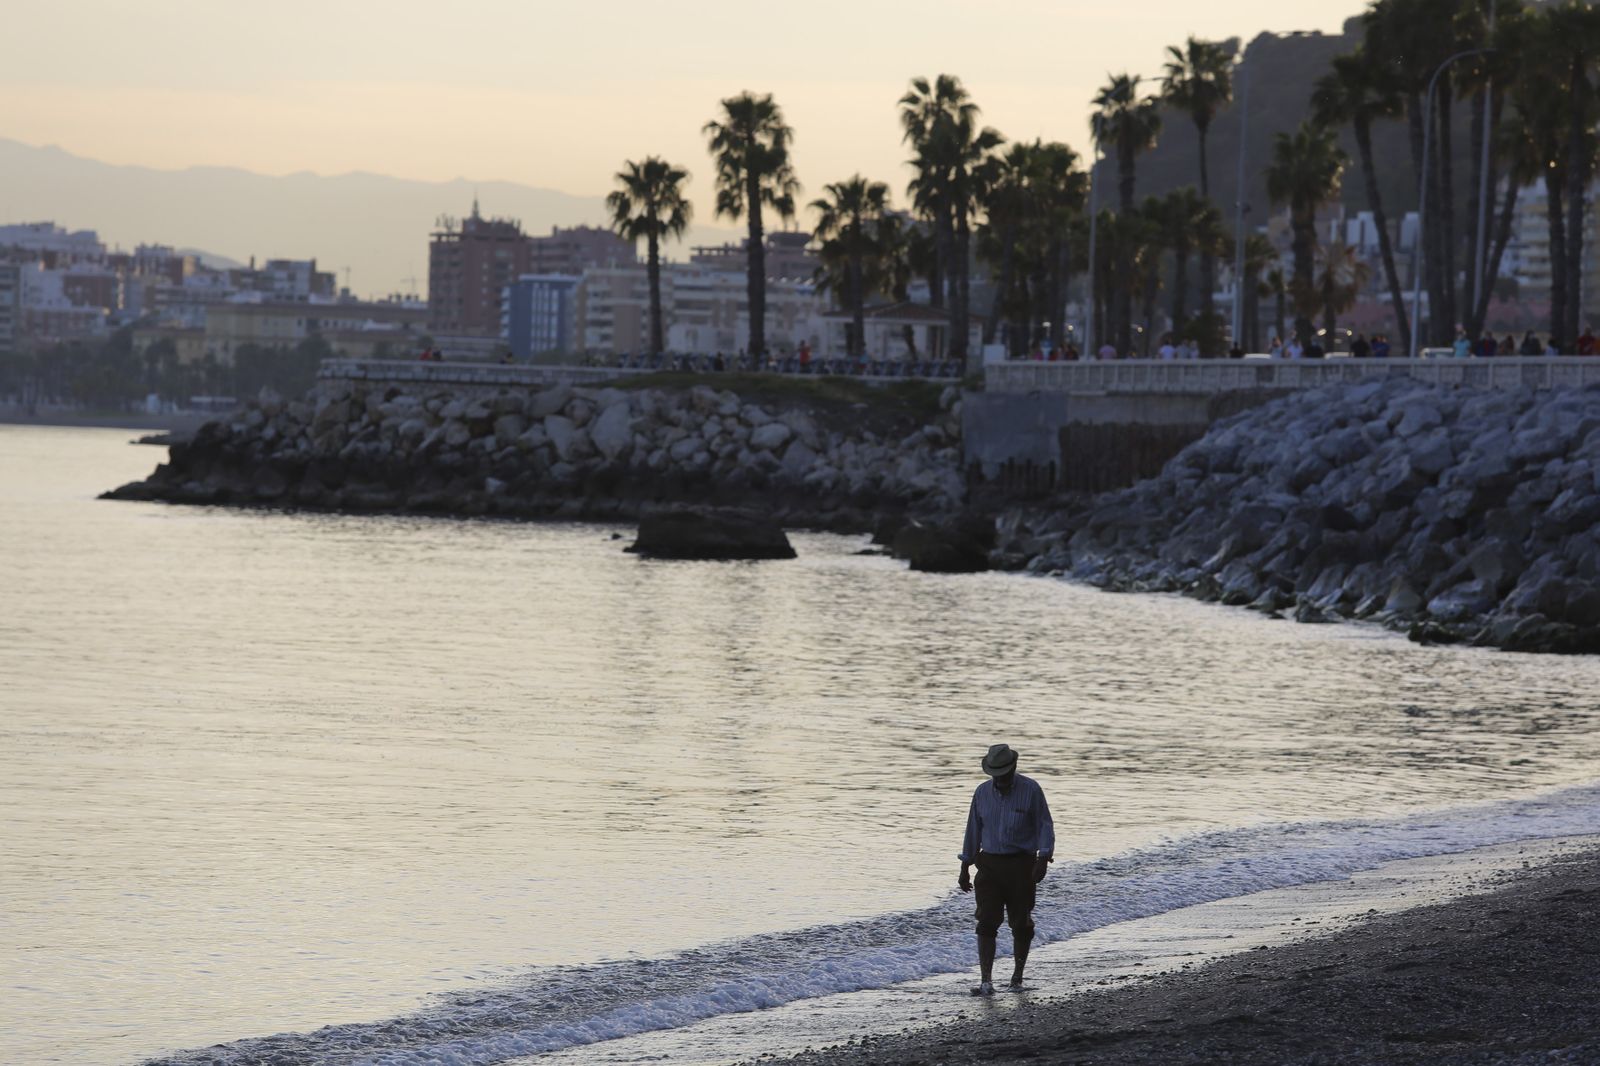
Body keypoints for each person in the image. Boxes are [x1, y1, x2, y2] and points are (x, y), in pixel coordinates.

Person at [958, 743, 1054, 996]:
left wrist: (1043, 858)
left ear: (1012, 769)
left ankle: (1017, 978)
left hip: (1022, 864)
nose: (1000, 779)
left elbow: (1044, 824)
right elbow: (973, 829)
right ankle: (986, 981)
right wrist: (965, 865)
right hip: (988, 864)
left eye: (1004, 773)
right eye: (996, 774)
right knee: (986, 921)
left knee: (1021, 923)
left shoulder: (1030, 790)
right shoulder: (981, 793)